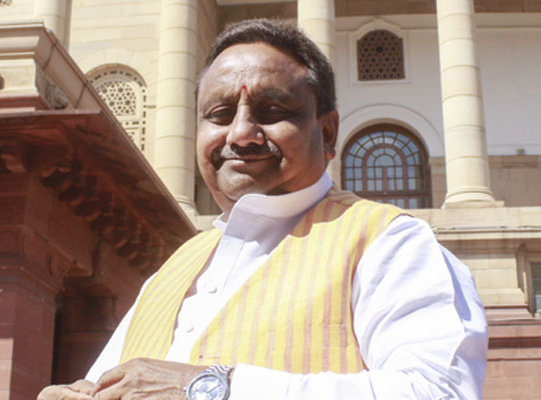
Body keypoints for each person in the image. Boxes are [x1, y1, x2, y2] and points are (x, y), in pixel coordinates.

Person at [37, 18, 488, 400]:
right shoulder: (172, 270)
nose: (241, 134)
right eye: (219, 114)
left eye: (271, 111)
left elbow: (437, 391)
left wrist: (211, 388)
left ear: (328, 133)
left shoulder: (387, 243)